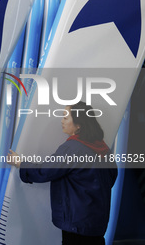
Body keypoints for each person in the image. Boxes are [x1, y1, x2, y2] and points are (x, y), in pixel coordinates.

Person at [8, 101, 117, 245]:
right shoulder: (103, 147)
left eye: (66, 117)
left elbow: (45, 171)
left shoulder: (73, 148)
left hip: (77, 223)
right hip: (96, 222)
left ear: (79, 125)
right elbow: (112, 176)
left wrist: (20, 163)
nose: (62, 121)